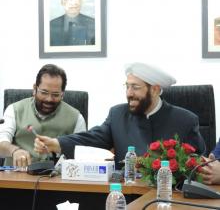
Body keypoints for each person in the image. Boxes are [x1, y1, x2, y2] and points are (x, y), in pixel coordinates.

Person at [34, 62, 206, 170]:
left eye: (135, 88)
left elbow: (197, 164)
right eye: (127, 86)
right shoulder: (117, 114)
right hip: (123, 197)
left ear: (154, 90)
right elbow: (92, 138)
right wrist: (57, 143)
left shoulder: (185, 120)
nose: (129, 93)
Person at [0, 64, 86, 167]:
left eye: (55, 94)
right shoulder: (14, 110)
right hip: (16, 178)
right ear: (34, 89)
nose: (49, 99)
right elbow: (1, 143)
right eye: (44, 92)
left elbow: (83, 154)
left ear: (62, 94)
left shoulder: (76, 118)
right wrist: (14, 151)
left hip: (57, 179)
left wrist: (59, 148)